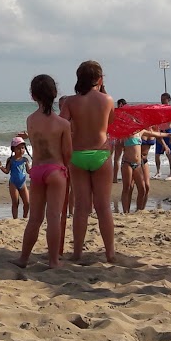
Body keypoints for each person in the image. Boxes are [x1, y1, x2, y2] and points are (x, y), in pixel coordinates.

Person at [60, 60, 115, 264]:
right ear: (99, 79)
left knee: (82, 207)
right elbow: (110, 122)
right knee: (103, 207)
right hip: (100, 152)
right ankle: (110, 253)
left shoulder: (71, 102)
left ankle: (77, 253)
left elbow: (62, 124)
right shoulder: (107, 99)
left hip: (78, 153)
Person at [17, 74, 73, 271]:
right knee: (54, 217)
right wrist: (66, 170)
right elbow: (67, 153)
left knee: (35, 218)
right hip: (56, 170)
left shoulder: (30, 120)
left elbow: (36, 143)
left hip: (38, 169)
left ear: (33, 96)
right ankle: (53, 260)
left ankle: (24, 258)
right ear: (55, 94)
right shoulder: (63, 124)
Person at [0, 137, 31, 218]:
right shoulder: (11, 160)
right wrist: (0, 167)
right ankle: (15, 218)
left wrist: (36, 168)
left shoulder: (25, 160)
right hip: (13, 184)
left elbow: (29, 171)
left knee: (27, 202)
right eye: (18, 148)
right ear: (13, 149)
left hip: (23, 184)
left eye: (22, 148)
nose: (21, 150)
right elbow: (7, 171)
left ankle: (25, 217)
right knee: (15, 202)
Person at [117, 125, 149, 213]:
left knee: (142, 188)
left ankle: (139, 210)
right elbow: (118, 146)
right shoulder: (125, 133)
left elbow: (154, 134)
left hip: (138, 164)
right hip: (127, 163)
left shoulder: (140, 132)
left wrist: (169, 135)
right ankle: (126, 211)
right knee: (127, 187)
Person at [152, 93, 171, 177]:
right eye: (161, 99)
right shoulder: (159, 108)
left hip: (169, 130)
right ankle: (158, 171)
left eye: (164, 99)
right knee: (157, 154)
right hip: (160, 131)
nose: (162, 101)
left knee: (169, 154)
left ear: (168, 99)